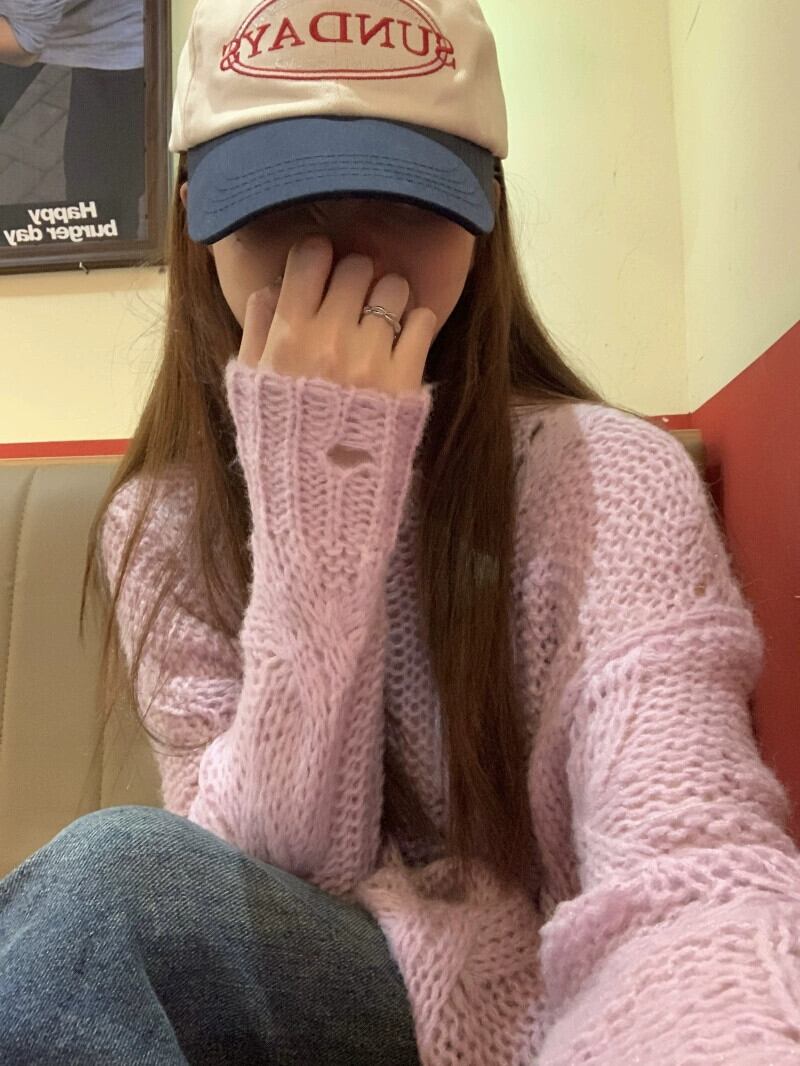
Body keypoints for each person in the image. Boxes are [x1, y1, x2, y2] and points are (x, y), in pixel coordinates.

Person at [2, 0, 799, 1063]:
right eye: (285, 211)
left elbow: (686, 869)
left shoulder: (607, 478)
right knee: (102, 893)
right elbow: (251, 881)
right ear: (197, 223)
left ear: (483, 220)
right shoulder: (164, 521)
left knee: (103, 891)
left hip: (564, 1009)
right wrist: (316, 525)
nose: (344, 264)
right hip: (305, 982)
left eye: (400, 204)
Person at [0, 0, 144, 238]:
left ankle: (105, 246)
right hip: (29, 18)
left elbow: (23, 43)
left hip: (113, 39)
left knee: (98, 212)